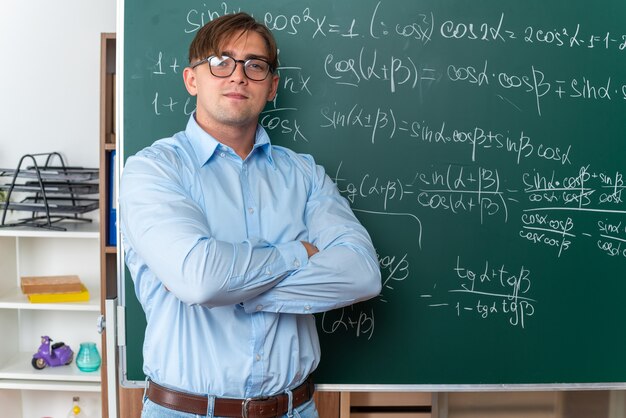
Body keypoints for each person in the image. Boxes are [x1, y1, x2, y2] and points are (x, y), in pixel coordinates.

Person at [119, 12, 382, 418]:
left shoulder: (304, 174)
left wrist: (232, 292)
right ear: (192, 79)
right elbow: (201, 278)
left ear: (272, 86)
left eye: (255, 66)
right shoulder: (153, 169)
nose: (238, 76)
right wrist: (298, 253)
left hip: (295, 408)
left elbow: (361, 273)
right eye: (220, 62)